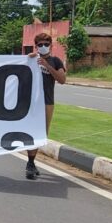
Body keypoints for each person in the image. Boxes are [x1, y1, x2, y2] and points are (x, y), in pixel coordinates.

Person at [25, 32, 66, 179]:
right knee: (31, 131)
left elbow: (62, 79)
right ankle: (30, 164)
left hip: (47, 102)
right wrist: (27, 59)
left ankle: (32, 162)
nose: (43, 47)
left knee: (42, 133)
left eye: (46, 44)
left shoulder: (56, 61)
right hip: (30, 103)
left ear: (51, 46)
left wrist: (47, 66)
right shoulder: (30, 59)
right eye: (40, 45)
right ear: (36, 46)